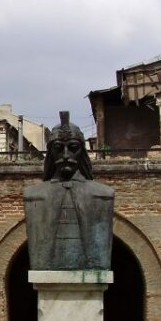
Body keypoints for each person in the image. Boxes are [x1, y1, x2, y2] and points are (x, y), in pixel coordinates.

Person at [23, 111, 114, 271]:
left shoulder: (103, 195)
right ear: (51, 152)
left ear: (82, 151)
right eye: (58, 148)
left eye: (73, 147)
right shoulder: (33, 196)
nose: (66, 155)